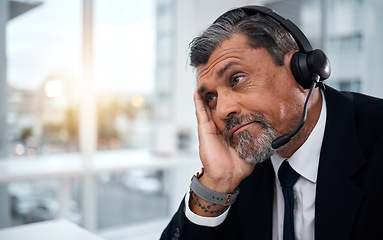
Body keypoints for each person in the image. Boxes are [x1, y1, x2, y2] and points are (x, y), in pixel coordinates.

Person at [161, 5, 383, 240]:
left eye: (237, 78)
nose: (224, 110)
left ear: (301, 71)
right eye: (211, 98)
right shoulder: (237, 172)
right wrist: (215, 185)